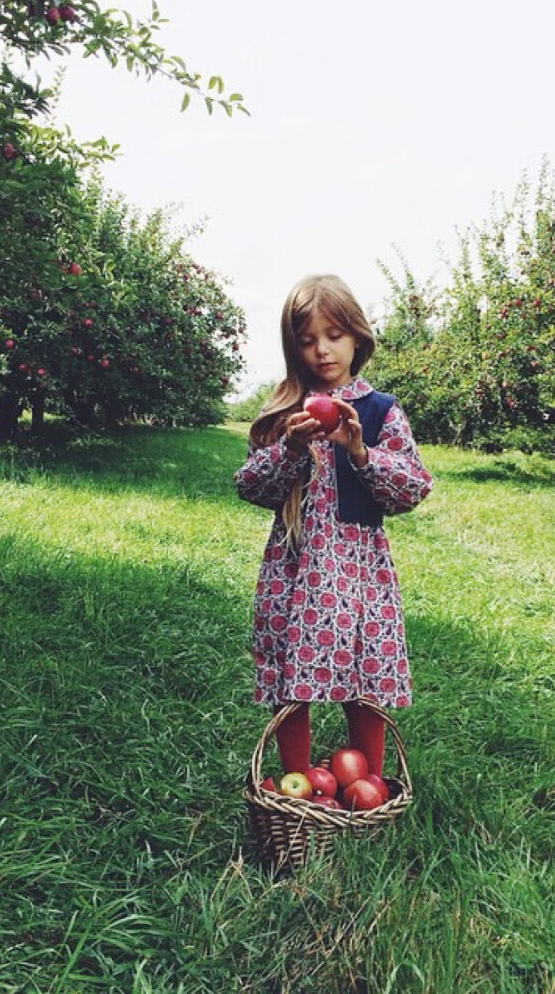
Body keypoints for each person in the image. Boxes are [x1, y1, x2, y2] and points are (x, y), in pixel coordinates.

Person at [234, 273, 433, 778]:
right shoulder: (284, 412)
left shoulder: (381, 410)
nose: (322, 350)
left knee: (363, 675)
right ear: (292, 347)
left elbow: (412, 488)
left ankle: (366, 785)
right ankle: (295, 785)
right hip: (295, 567)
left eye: (334, 335)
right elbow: (252, 487)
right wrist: (292, 448)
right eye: (307, 341)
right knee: (290, 676)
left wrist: (360, 452)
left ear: (357, 337)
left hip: (359, 571)